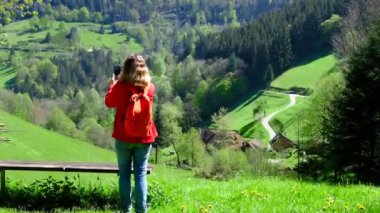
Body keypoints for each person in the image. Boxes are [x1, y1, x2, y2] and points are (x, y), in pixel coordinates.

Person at [105, 54, 158, 213]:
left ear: (126, 69)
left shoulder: (120, 87)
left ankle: (126, 210)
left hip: (123, 135)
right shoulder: (150, 88)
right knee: (141, 175)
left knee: (125, 174)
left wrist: (112, 85)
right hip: (144, 136)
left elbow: (109, 102)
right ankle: (141, 210)